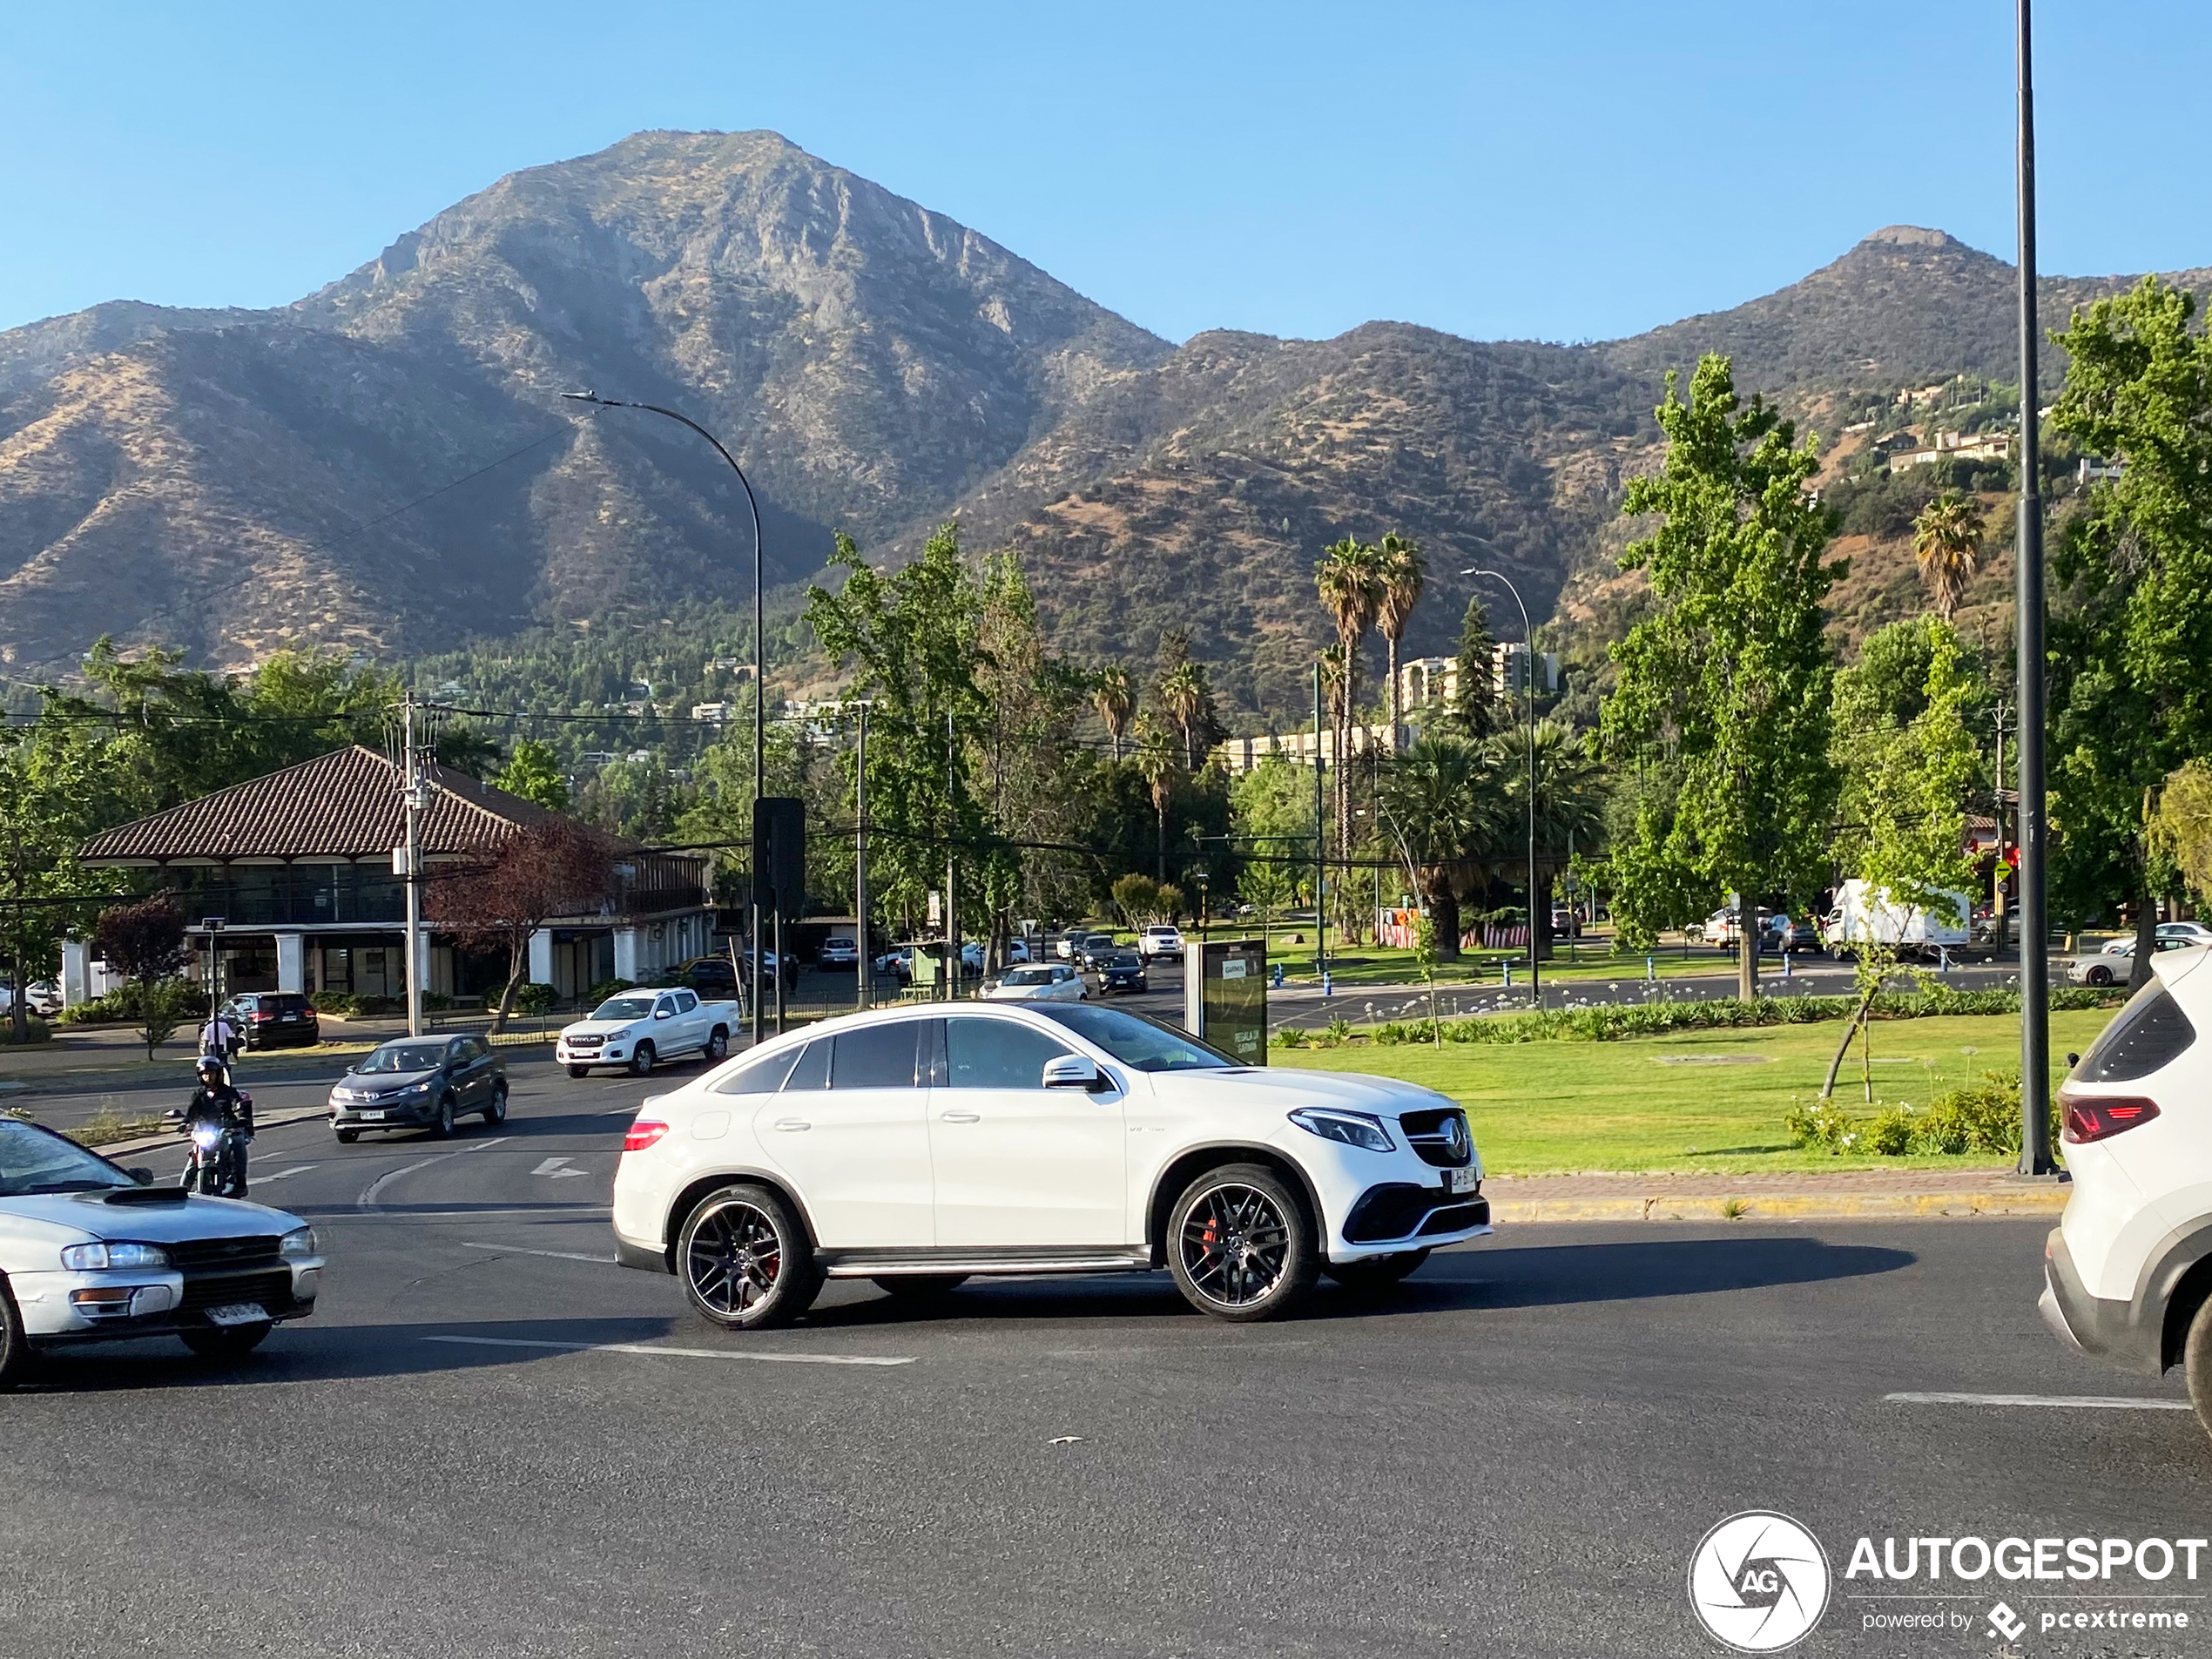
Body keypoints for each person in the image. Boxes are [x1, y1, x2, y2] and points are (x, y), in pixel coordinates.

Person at [181, 1055, 253, 1197]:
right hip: (204, 1132)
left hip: (226, 1130)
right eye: (204, 1074)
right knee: (193, 1159)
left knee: (238, 1141)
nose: (207, 1077)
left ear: (218, 1074)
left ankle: (240, 1182)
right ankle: (182, 1191)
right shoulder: (199, 1094)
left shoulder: (229, 1092)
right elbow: (191, 1112)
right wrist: (184, 1123)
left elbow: (237, 1106)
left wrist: (241, 1117)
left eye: (211, 1073)